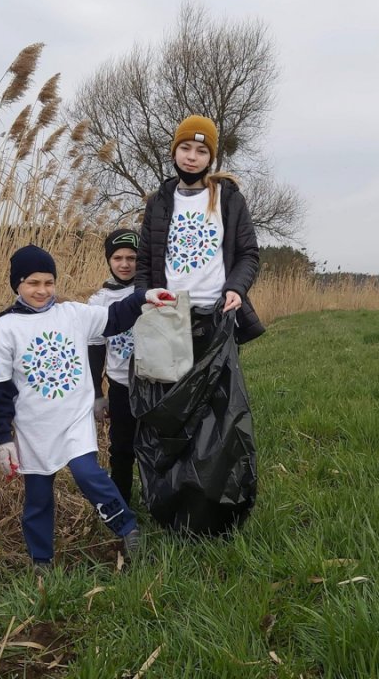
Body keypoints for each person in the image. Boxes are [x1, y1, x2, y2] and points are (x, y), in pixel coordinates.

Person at [0, 244, 172, 569]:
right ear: (18, 284)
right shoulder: (4, 330)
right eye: (33, 283)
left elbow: (114, 317)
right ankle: (41, 562)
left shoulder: (73, 314)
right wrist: (3, 439)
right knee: (38, 498)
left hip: (74, 421)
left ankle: (128, 530)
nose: (42, 291)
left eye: (48, 282)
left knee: (89, 475)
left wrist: (143, 297)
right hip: (34, 429)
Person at [132, 114, 263, 534]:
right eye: (186, 148)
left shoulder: (227, 198)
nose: (192, 157)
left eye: (202, 150)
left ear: (212, 155)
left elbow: (248, 255)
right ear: (174, 151)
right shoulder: (158, 202)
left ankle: (216, 513)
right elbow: (145, 266)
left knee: (218, 420)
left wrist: (237, 289)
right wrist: (145, 295)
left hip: (215, 321)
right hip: (169, 321)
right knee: (173, 418)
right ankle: (173, 511)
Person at [87, 228, 141, 506]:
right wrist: (97, 393)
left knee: (160, 447)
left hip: (158, 384)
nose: (124, 264)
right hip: (121, 387)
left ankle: (162, 501)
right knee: (121, 449)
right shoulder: (99, 301)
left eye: (132, 257)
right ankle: (123, 508)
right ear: (109, 260)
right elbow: (95, 350)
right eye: (117, 257)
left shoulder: (152, 289)